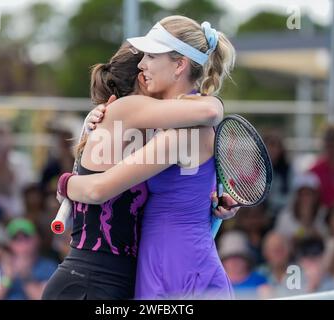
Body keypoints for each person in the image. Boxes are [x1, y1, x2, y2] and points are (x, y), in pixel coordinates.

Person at [53, 16, 238, 300]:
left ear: (179, 65)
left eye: (152, 56)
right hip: (162, 263)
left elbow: (97, 189)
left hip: (179, 268)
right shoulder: (167, 124)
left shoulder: (182, 132)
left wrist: (65, 183)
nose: (142, 64)